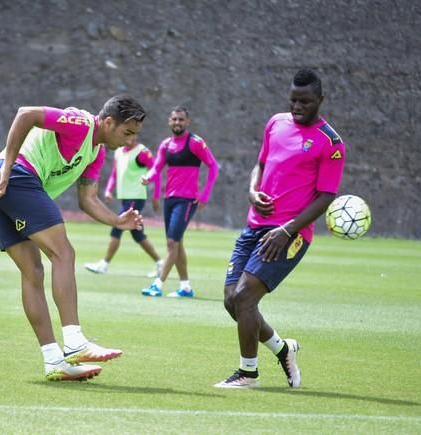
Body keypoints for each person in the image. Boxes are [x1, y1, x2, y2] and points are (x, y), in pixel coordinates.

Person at [0, 95, 146, 381]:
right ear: (107, 122)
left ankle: (54, 360)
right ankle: (75, 339)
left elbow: (88, 199)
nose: (130, 141)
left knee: (33, 272)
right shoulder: (81, 123)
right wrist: (7, 165)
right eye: (126, 132)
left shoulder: (97, 153)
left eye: (134, 135)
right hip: (14, 175)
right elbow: (25, 112)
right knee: (63, 254)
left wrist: (117, 221)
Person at [214, 68, 346, 388]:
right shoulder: (275, 122)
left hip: (290, 234)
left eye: (305, 101)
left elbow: (327, 195)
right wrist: (251, 190)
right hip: (254, 225)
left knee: (245, 298)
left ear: (320, 101)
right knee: (232, 300)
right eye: (293, 100)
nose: (297, 106)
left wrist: (287, 230)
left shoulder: (331, 142)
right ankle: (283, 349)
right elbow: (260, 163)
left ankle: (248, 374)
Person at [140, 106, 219, 298]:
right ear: (169, 121)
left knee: (171, 242)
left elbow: (213, 166)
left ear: (187, 122)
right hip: (170, 199)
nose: (177, 122)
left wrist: (205, 195)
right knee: (177, 244)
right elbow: (157, 167)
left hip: (187, 200)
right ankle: (185, 287)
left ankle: (157, 284)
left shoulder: (195, 143)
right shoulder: (166, 145)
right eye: (174, 119)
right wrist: (147, 178)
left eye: (181, 119)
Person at [84, 136, 163, 277]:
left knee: (117, 228)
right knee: (138, 235)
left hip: (136, 197)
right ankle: (160, 263)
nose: (129, 136)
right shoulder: (119, 151)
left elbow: (156, 172)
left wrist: (156, 196)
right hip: (125, 198)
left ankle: (104, 264)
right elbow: (115, 173)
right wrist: (109, 189)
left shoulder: (142, 152)